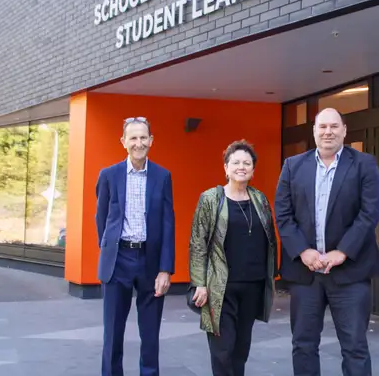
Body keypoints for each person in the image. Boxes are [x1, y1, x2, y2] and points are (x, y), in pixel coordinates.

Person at [274, 107, 379, 376]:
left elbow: (369, 212)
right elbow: (283, 213)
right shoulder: (292, 165)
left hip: (349, 273)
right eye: (322, 127)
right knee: (303, 345)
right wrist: (302, 251)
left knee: (355, 346)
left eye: (334, 126)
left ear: (344, 131)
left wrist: (343, 251)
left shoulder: (364, 164)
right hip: (306, 273)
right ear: (314, 131)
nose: (328, 132)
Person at [188, 140, 278, 376]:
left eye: (247, 163)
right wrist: (199, 283)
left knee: (241, 349)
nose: (241, 166)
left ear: (253, 169)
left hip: (252, 286)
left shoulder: (260, 199)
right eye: (235, 162)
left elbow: (269, 239)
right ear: (226, 168)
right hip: (220, 287)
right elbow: (197, 243)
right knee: (222, 350)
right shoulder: (210, 199)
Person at [95, 116, 175, 376]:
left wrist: (165, 269)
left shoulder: (163, 176)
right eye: (133, 138)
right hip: (118, 262)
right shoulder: (108, 175)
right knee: (113, 334)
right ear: (123, 142)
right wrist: (109, 253)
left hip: (150, 263)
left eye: (143, 137)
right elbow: (102, 219)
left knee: (150, 336)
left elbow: (167, 224)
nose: (138, 143)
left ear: (151, 141)